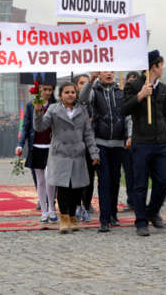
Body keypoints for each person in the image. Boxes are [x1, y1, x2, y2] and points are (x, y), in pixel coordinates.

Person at [122, 50, 166, 237]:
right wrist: (140, 96)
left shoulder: (162, 88)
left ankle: (152, 211)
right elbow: (123, 109)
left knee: (165, 179)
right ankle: (141, 221)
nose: (163, 69)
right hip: (142, 142)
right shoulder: (133, 85)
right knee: (140, 184)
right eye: (161, 65)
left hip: (161, 141)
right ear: (154, 66)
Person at [33, 82, 99, 234]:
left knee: (76, 188)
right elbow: (40, 127)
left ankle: (73, 218)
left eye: (73, 92)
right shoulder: (53, 109)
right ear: (60, 94)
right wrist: (37, 112)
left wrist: (94, 153)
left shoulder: (82, 110)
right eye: (67, 92)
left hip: (77, 153)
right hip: (60, 153)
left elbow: (88, 134)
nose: (70, 95)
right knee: (62, 187)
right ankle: (64, 219)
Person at [79, 71, 131, 232]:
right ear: (99, 74)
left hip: (118, 143)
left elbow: (128, 116)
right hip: (99, 142)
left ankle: (113, 214)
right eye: (105, 71)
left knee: (115, 180)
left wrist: (130, 135)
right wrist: (91, 80)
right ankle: (104, 219)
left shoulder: (121, 93)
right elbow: (82, 99)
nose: (109, 73)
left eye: (111, 71)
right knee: (104, 179)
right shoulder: (94, 91)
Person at [15, 83, 58, 223]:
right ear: (39, 91)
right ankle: (44, 211)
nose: (47, 92)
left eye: (50, 90)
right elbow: (26, 126)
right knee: (40, 181)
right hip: (36, 146)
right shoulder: (30, 105)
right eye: (45, 89)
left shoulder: (55, 105)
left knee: (50, 178)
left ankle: (52, 208)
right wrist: (20, 145)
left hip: (51, 146)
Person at [73, 73, 95, 220]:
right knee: (76, 176)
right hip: (75, 145)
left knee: (90, 176)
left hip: (90, 144)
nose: (84, 86)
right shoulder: (72, 102)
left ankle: (87, 204)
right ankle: (76, 204)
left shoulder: (94, 101)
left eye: (87, 83)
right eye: (81, 83)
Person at [122, 71, 139, 210]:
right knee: (128, 173)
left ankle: (138, 200)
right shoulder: (122, 96)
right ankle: (131, 200)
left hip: (138, 139)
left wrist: (131, 135)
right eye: (130, 80)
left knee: (139, 172)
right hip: (123, 141)